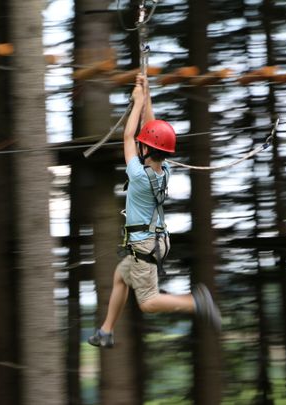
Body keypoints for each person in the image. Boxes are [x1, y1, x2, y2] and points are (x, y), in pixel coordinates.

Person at [88, 74, 221, 348]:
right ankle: (106, 331)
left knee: (148, 302)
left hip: (145, 244)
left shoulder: (137, 174)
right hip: (157, 240)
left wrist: (137, 101)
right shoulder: (165, 170)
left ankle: (195, 303)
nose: (139, 144)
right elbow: (150, 129)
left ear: (147, 148)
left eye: (143, 143)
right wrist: (147, 95)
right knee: (120, 277)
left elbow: (128, 135)